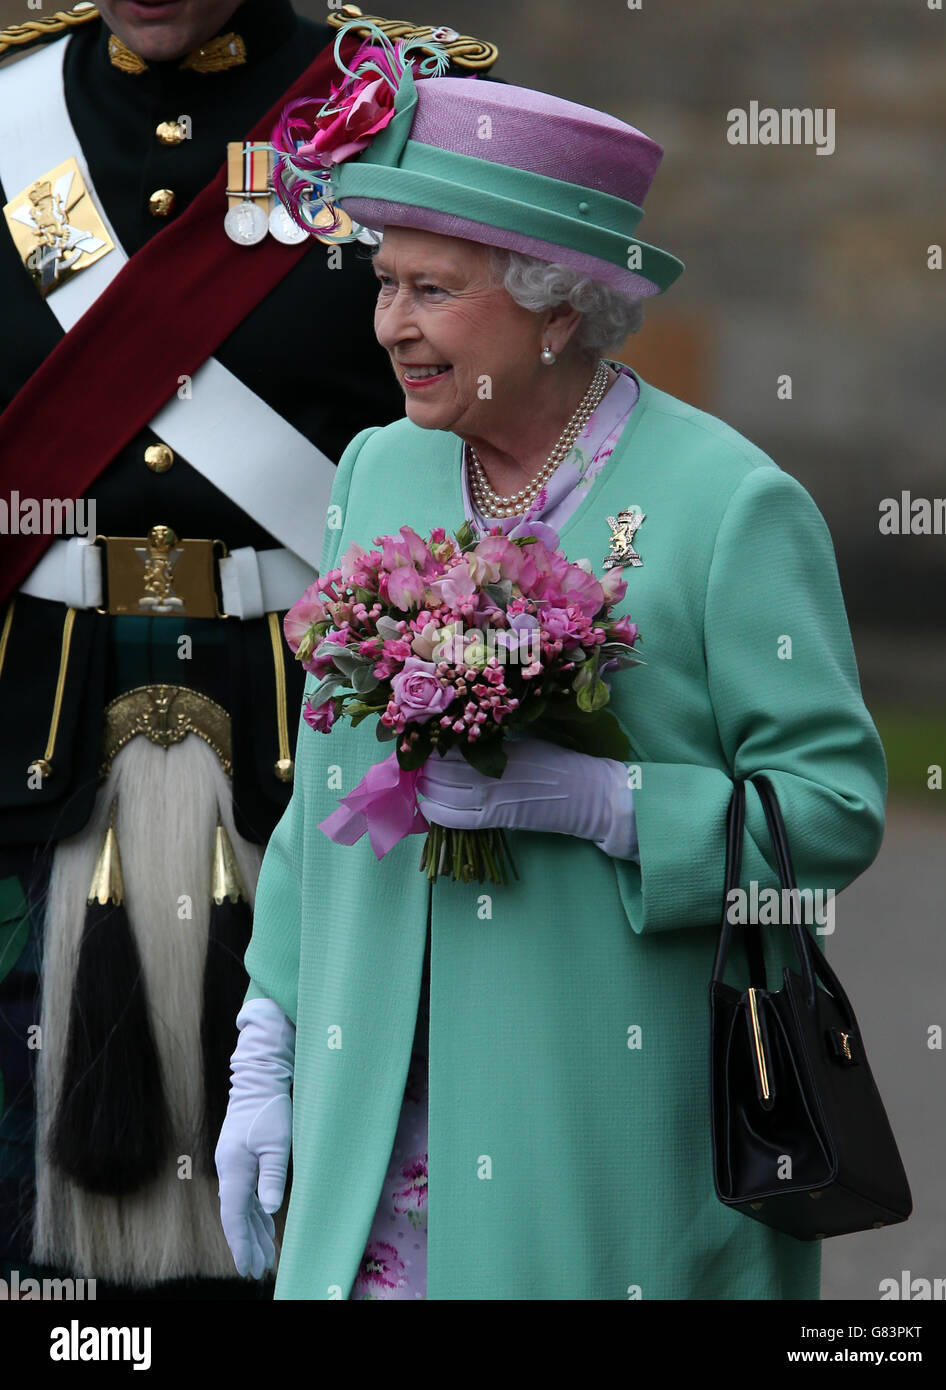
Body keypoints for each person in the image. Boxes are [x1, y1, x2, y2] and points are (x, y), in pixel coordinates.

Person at [215, 23, 887, 1300]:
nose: (388, 327)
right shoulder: (380, 469)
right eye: (384, 280)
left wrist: (609, 806)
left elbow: (835, 811)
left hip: (604, 1130)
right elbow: (322, 797)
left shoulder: (728, 505)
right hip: (379, 1124)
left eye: (430, 289)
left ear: (556, 302)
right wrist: (268, 1036)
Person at [0, 1, 497, 1295]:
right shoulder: (11, 114)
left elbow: (491, 427)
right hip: (36, 725)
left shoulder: (399, 105)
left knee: (326, 1183)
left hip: (315, 745)